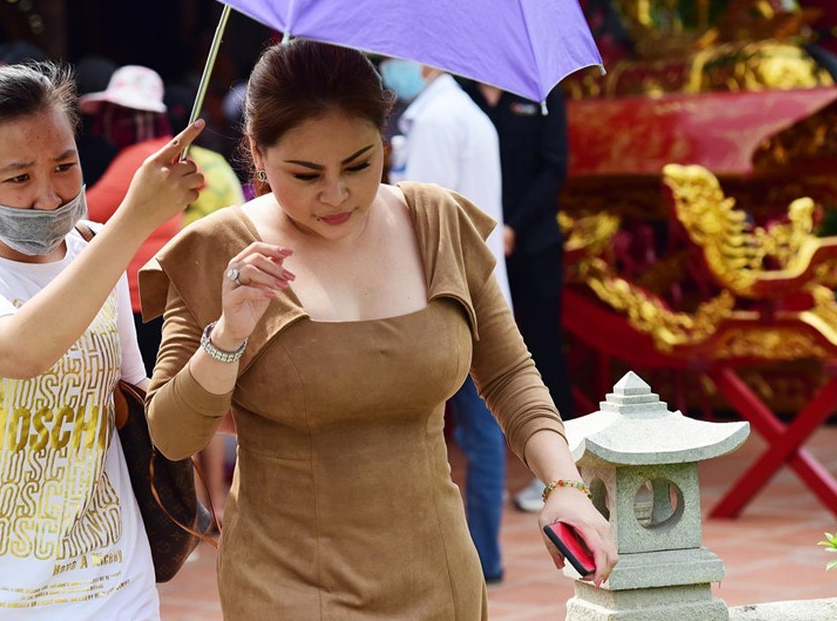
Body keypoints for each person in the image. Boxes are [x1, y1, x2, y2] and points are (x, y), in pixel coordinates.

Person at [141, 40, 616, 620]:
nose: (337, 194)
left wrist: (565, 490)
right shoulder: (219, 249)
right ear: (257, 155)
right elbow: (170, 435)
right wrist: (229, 333)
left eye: (360, 164)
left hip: (438, 575)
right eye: (306, 173)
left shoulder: (436, 222)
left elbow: (511, 374)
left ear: (385, 141)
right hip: (287, 584)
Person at [0, 62, 204, 620]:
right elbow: (19, 351)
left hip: (113, 589)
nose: (50, 196)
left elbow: (136, 402)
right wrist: (134, 220)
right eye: (18, 177)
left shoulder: (94, 247)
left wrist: (226, 341)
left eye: (64, 166)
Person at [381, 57, 512, 584]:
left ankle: (462, 556)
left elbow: (420, 219)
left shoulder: (436, 121)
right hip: (476, 289)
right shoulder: (467, 113)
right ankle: (485, 556)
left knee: (427, 431)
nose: (391, 67)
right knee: (482, 434)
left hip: (445, 296)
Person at [461, 80, 573, 513]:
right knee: (485, 350)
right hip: (481, 243)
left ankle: (560, 471)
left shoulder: (540, 93)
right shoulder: (462, 93)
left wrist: (515, 226)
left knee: (543, 351)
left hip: (533, 243)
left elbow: (554, 167)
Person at [84, 65, 185, 374]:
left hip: (135, 298)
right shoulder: (164, 155)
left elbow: (85, 213)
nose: (106, 124)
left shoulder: (140, 160)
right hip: (156, 293)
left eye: (114, 113)